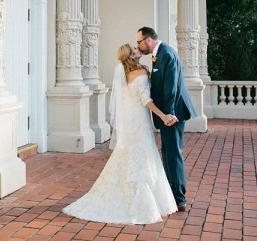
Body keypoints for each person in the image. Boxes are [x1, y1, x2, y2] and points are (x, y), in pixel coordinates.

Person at [62, 44, 178, 224]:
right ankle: (140, 203)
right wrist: (163, 116)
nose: (138, 48)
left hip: (129, 116)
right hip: (139, 117)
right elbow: (146, 100)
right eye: (135, 49)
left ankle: (127, 192)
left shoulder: (123, 72)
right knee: (143, 153)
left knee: (132, 152)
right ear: (131, 56)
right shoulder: (140, 74)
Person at [136, 26, 197, 212]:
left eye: (139, 42)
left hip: (173, 113)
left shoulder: (167, 54)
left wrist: (168, 114)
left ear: (148, 40)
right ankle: (170, 192)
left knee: (173, 154)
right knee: (168, 153)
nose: (137, 46)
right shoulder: (158, 54)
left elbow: (171, 87)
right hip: (168, 114)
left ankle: (179, 198)